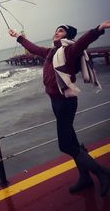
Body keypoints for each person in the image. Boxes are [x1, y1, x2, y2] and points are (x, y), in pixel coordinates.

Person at [8, 20, 110, 196]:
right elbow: (33, 48)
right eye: (56, 30)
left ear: (67, 36)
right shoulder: (51, 52)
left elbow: (83, 42)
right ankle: (85, 178)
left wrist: (99, 29)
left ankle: (102, 173)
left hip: (65, 103)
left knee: (65, 145)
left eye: (61, 31)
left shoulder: (69, 50)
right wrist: (18, 36)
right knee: (72, 142)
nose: (56, 32)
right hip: (56, 102)